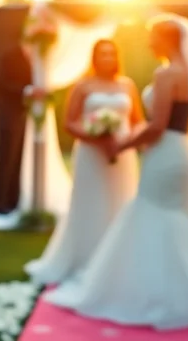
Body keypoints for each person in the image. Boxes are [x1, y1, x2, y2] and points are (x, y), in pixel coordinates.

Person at [44, 17, 188, 330]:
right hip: (183, 151)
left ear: (167, 40)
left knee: (153, 215)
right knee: (179, 218)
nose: (149, 43)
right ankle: (187, 291)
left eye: (153, 37)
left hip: (165, 152)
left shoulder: (167, 74)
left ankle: (157, 296)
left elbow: (155, 126)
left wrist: (123, 144)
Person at [25, 39, 141, 286]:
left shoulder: (127, 85)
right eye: (102, 54)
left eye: (111, 53)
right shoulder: (83, 86)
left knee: (121, 203)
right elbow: (69, 122)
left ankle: (119, 262)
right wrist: (96, 136)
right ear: (94, 57)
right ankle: (86, 260)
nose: (107, 58)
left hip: (122, 156)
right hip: (91, 153)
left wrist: (125, 141)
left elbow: (137, 121)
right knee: (91, 204)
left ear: (117, 57)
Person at [0, 42, 38, 216]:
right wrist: (26, 91)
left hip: (23, 116)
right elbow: (2, 83)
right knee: (6, 159)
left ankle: (11, 201)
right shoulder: (10, 56)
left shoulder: (38, 57)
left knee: (17, 160)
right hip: (8, 116)